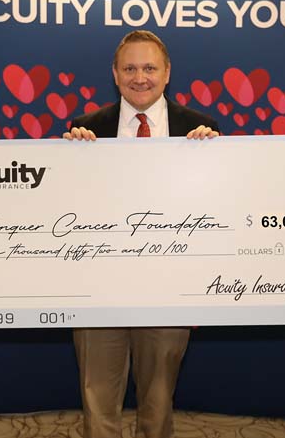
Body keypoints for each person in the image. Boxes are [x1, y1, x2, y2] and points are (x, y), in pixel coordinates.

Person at [63, 30, 218, 438]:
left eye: (150, 68)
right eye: (130, 68)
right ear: (115, 74)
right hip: (98, 289)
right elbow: (65, 210)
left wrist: (216, 159)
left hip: (168, 289)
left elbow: (220, 207)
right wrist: (66, 160)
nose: (140, 77)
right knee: (98, 403)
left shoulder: (200, 130)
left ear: (167, 74)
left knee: (158, 401)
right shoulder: (84, 131)